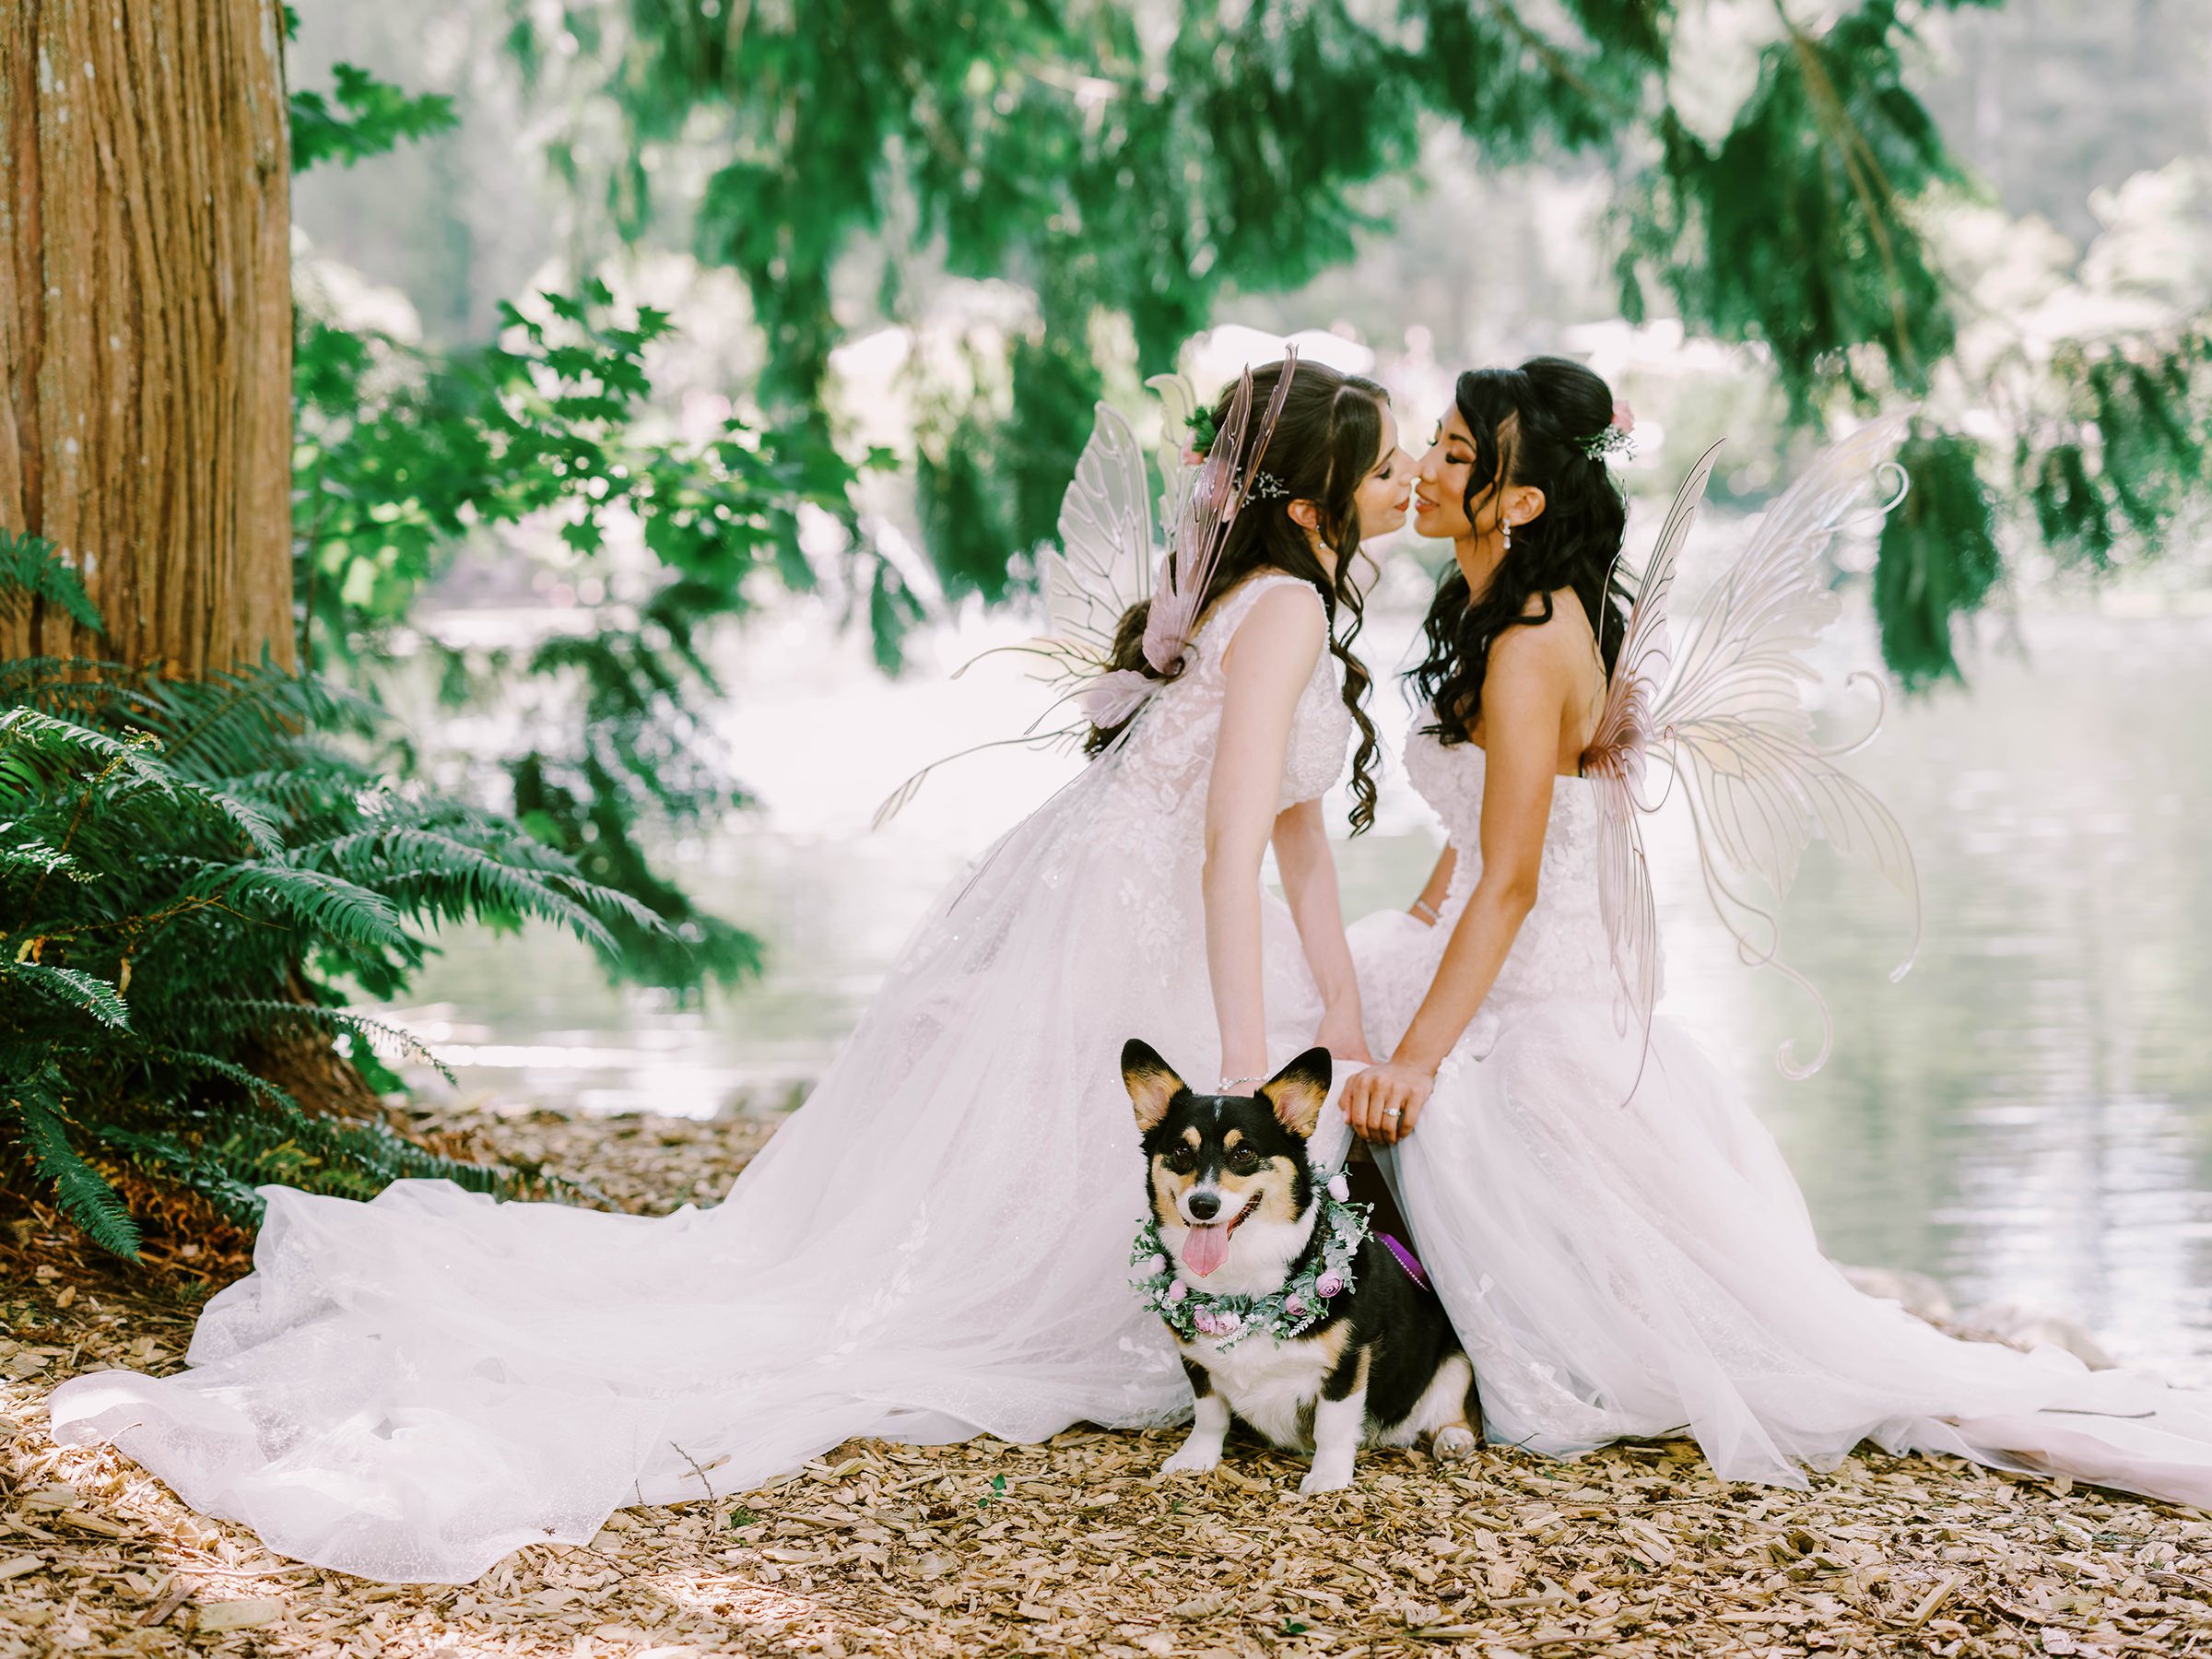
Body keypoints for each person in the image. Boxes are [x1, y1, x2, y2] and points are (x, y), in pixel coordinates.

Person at [49, 352, 1416, 1582]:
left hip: (1115, 880)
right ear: (1313, 505)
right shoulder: (1287, 609)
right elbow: (1230, 846)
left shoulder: (1261, 593)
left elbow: (1291, 831)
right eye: (1386, 467)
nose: (1408, 481)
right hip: (1149, 898)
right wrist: (1249, 1070)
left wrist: (1342, 1001)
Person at [1340, 356, 2212, 1507]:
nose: (1426, 466)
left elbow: (1511, 883)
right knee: (1338, 1001)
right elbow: (1489, 827)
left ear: (1522, 499)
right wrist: (1408, 931)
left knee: (1398, 1089)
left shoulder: (1528, 640)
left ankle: (1393, 1349)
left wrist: (1418, 1057)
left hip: (1534, 986)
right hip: (1509, 949)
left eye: (1456, 454)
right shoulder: (1502, 610)